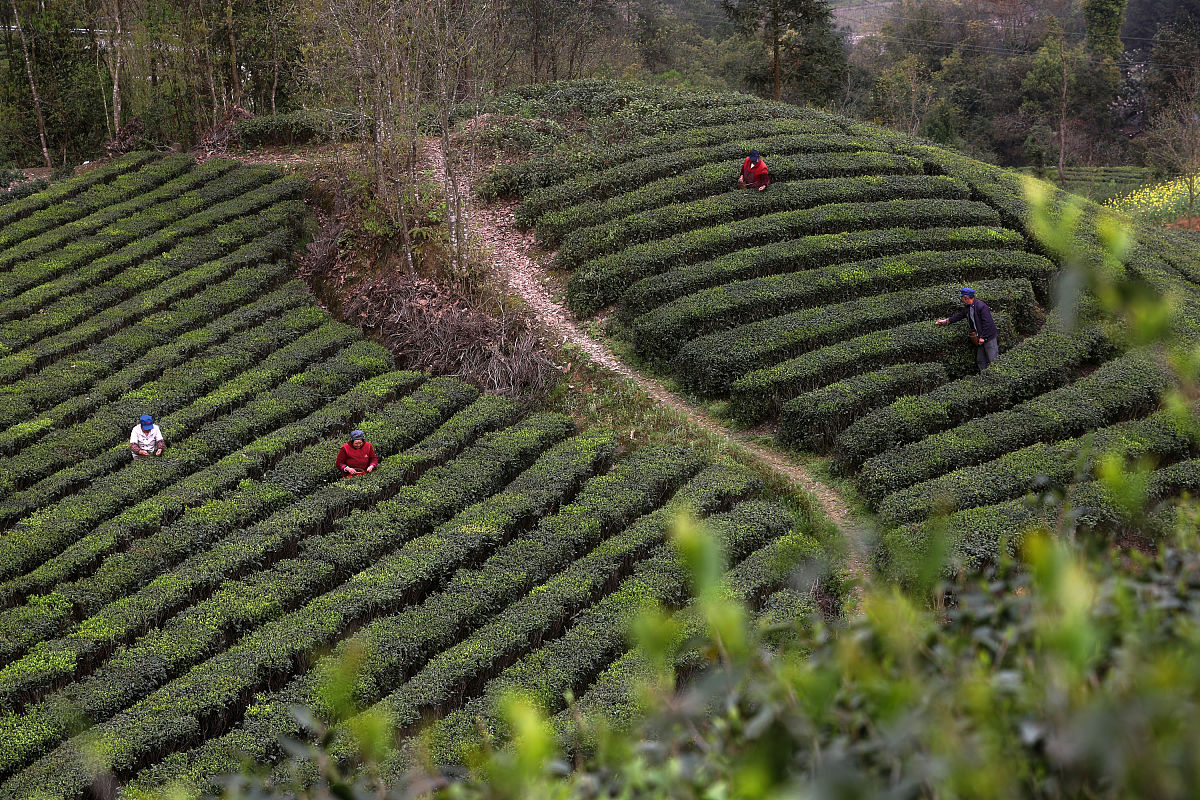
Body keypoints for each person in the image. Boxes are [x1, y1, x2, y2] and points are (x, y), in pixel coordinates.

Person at [936, 287, 999, 371]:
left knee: (993, 360)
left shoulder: (981, 306)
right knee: (980, 360)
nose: (962, 299)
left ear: (966, 298)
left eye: (962, 297)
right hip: (979, 337)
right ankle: (984, 377)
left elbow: (988, 323)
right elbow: (960, 316)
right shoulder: (968, 307)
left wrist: (983, 337)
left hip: (988, 338)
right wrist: (946, 321)